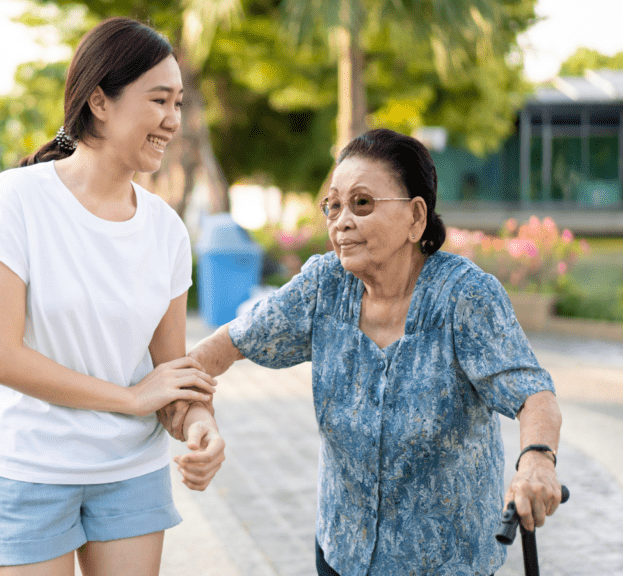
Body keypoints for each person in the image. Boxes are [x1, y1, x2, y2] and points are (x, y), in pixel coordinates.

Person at [163, 128, 563, 575]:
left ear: (415, 218)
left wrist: (537, 461)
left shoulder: (465, 297)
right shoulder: (324, 286)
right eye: (332, 206)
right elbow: (223, 346)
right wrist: (199, 417)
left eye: (362, 203)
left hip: (448, 562)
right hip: (344, 554)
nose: (340, 221)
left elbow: (533, 394)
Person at [0, 16, 225, 575]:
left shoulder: (166, 230)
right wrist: (129, 399)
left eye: (178, 103)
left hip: (129, 472)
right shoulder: (15, 201)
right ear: (100, 102)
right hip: (24, 466)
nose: (172, 120)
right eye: (158, 101)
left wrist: (199, 423)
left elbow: (169, 372)